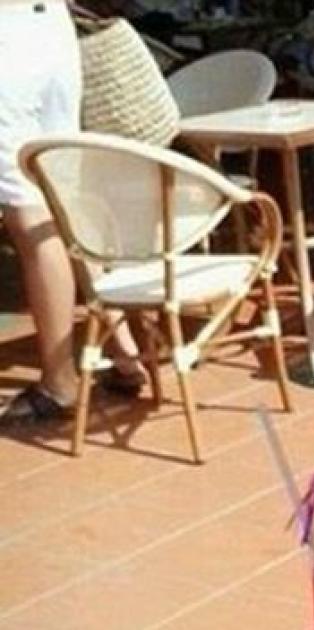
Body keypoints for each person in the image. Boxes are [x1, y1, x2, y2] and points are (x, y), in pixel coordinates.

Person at [0, 0, 144, 424]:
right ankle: (126, 351)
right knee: (68, 200)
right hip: (52, 29)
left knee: (30, 218)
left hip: (7, 41)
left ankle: (59, 381)